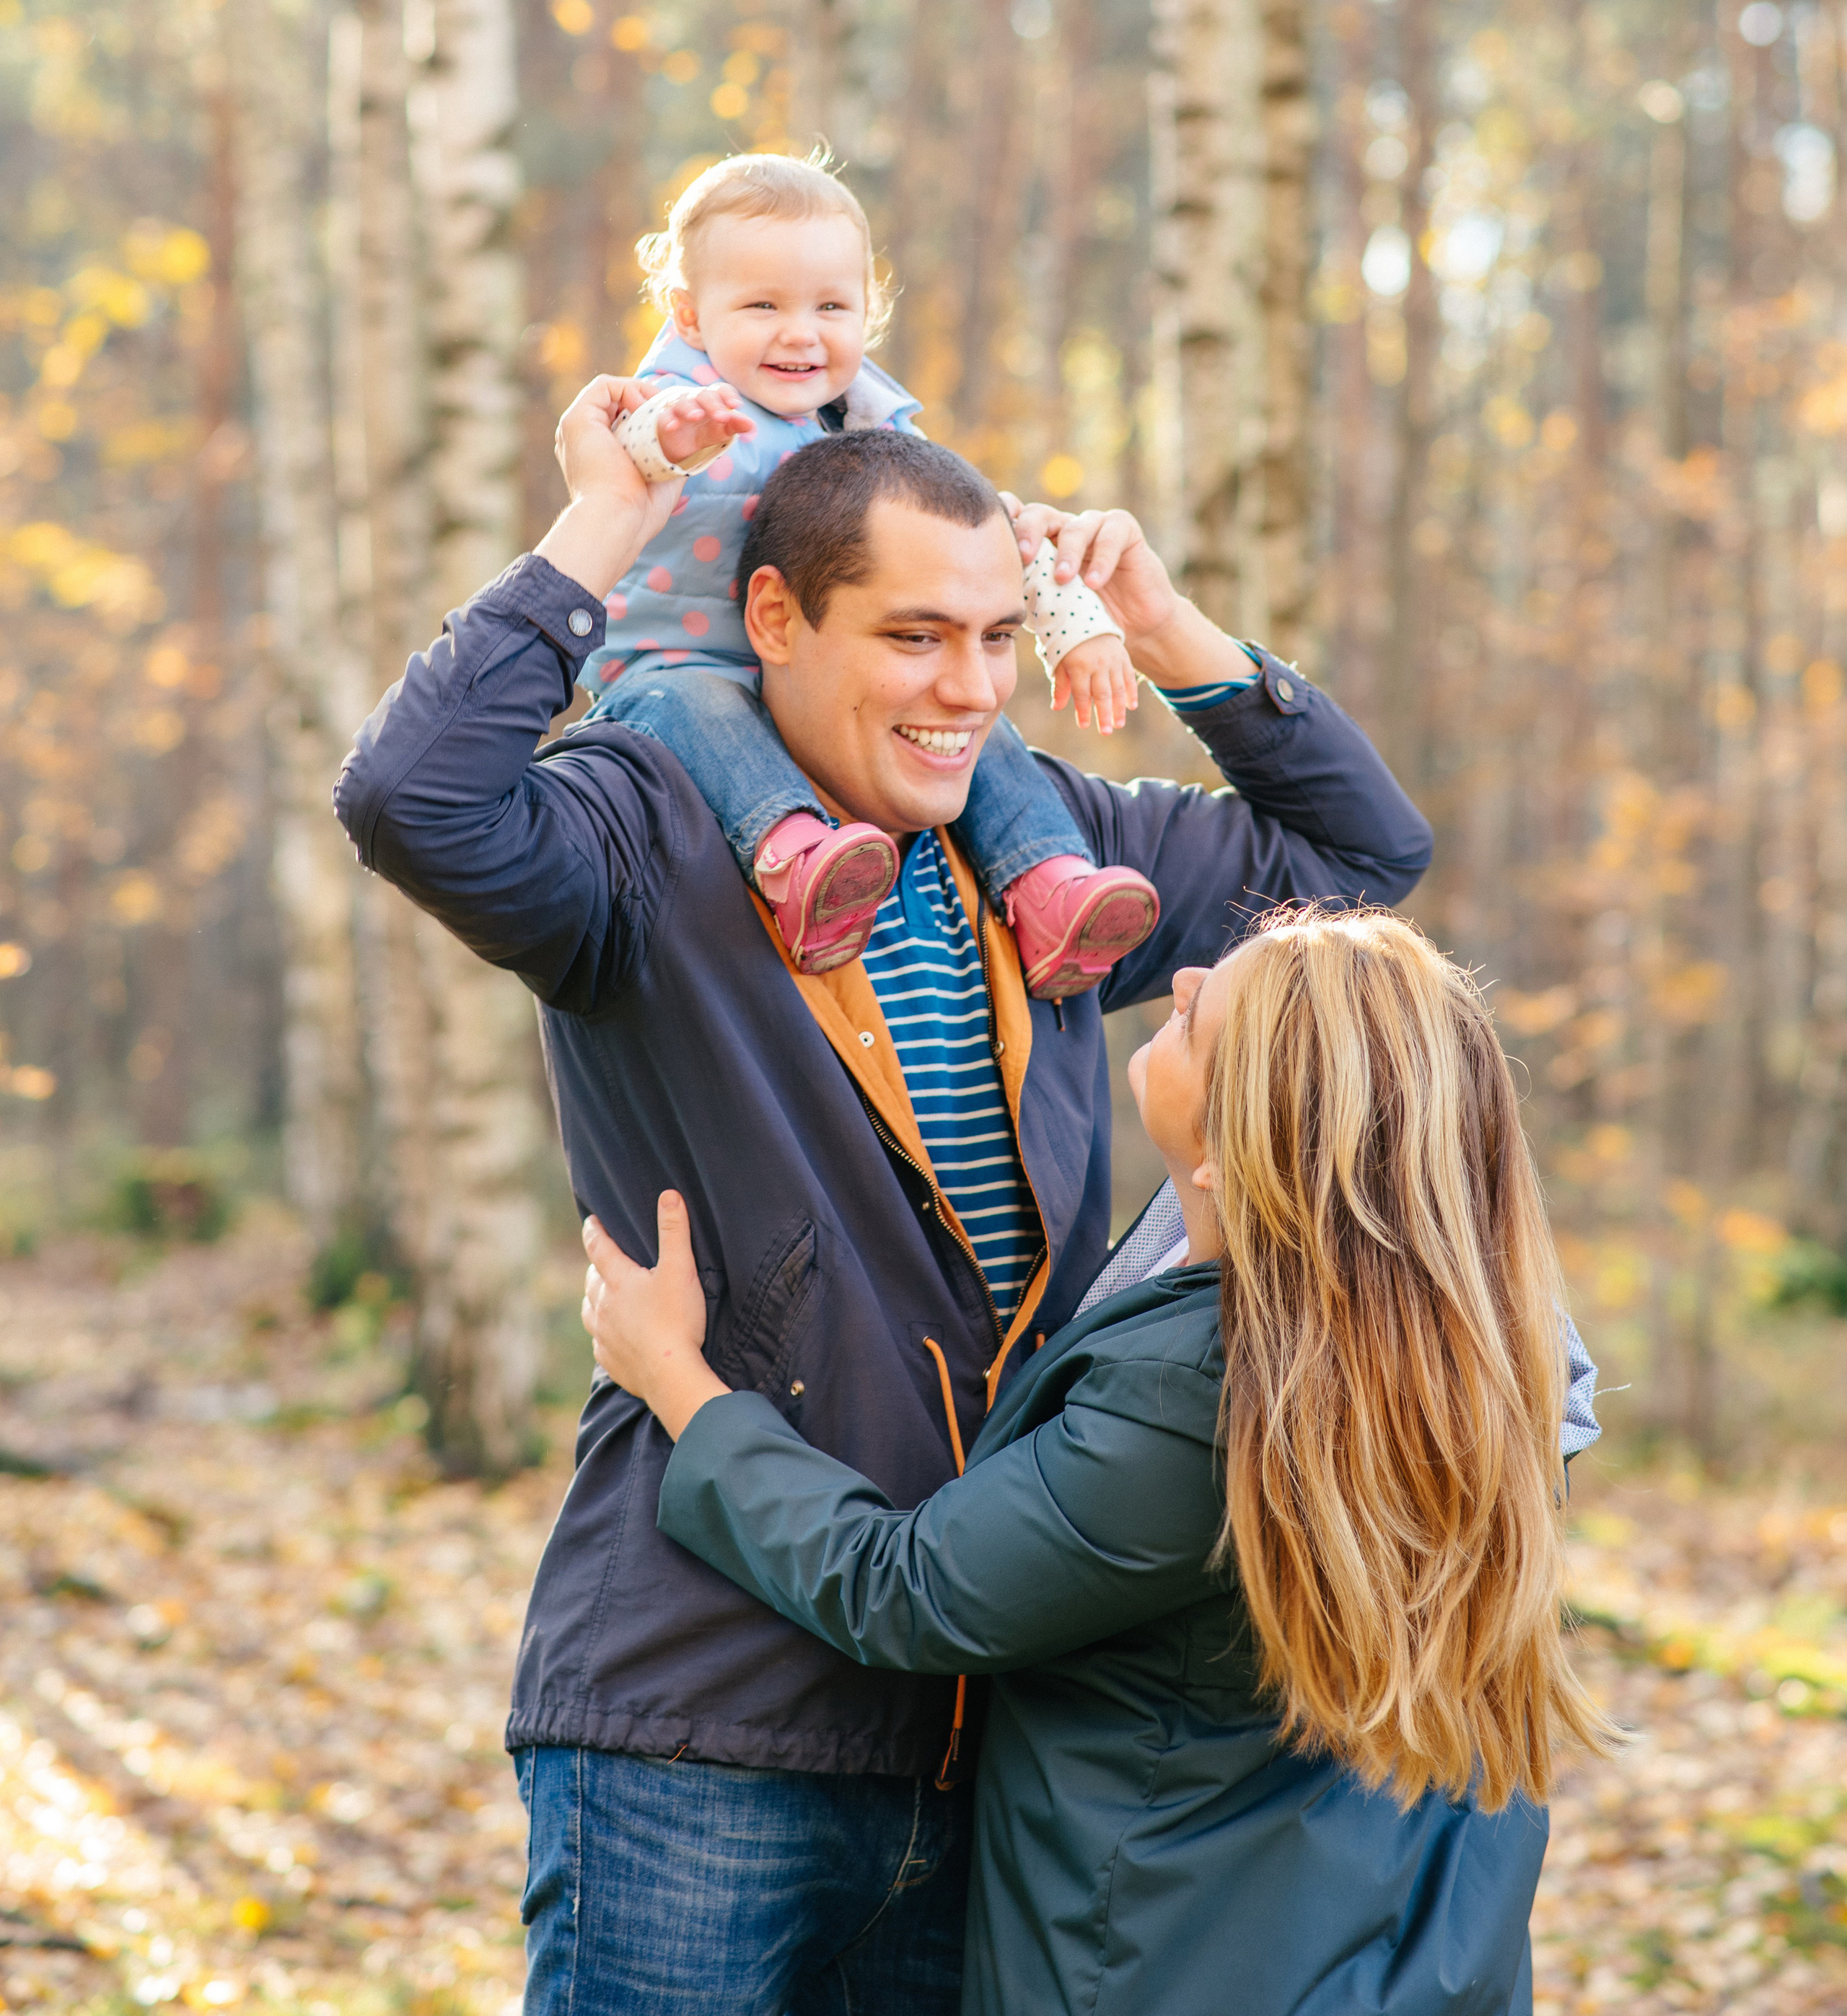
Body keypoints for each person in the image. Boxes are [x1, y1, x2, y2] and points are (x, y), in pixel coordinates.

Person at [333, 389, 1434, 2016]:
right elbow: (409, 801)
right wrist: (599, 526)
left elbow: (1360, 854)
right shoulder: (640, 835)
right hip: (696, 1715)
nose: (969, 690)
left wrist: (1164, 623)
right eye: (915, 636)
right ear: (771, 614)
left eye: (995, 635)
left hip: (985, 1722)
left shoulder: (1049, 855)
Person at [582, 906, 1615, 2016]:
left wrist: (676, 1377)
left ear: (1237, 1152)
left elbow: (907, 1589)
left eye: (1208, 1013)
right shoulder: (1481, 1360)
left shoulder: (1206, 1405)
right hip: (1407, 1966)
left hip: (1171, 1970)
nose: (1182, 979)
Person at [579, 148, 1159, 994]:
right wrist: (667, 443)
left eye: (830, 305)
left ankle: (1048, 884)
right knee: (706, 711)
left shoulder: (871, 432)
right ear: (692, 316)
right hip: (673, 673)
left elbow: (975, 531)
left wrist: (1080, 626)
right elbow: (622, 457)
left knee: (978, 720)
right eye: (762, 304)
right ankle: (799, 864)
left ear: (867, 311)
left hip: (812, 687)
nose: (800, 331)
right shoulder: (681, 402)